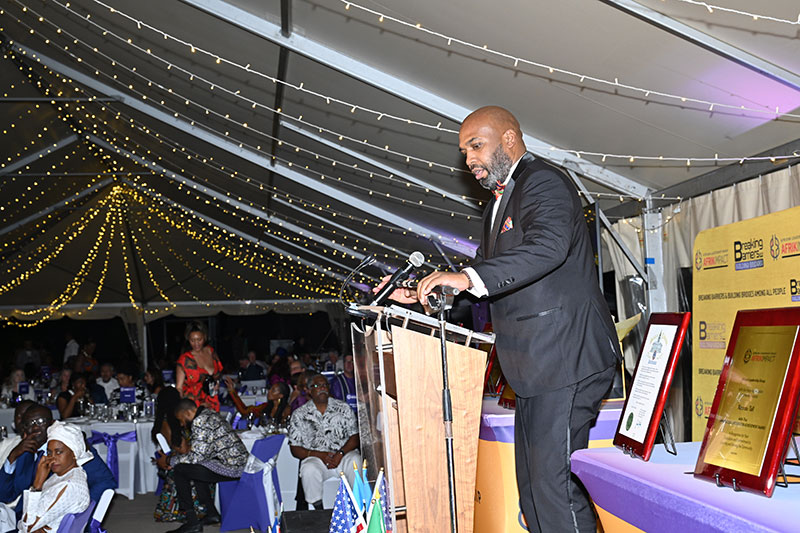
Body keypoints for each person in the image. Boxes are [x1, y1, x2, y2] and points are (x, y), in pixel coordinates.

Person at [381, 106, 621, 533]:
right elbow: (484, 272)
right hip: (534, 367)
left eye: (476, 146)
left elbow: (547, 247)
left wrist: (466, 277)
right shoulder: (498, 201)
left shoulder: (543, 181)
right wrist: (420, 292)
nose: (469, 159)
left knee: (554, 490)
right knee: (533, 493)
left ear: (509, 139)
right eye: (464, 152)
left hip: (565, 357)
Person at [0, 405, 117, 522]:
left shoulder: (71, 448)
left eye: (40, 421)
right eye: (29, 423)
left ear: (52, 423)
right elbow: (5, 496)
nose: (35, 427)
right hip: (23, 517)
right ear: (23, 429)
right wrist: (12, 456)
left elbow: (106, 482)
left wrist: (76, 517)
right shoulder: (25, 452)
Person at [157, 399, 247, 533]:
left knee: (180, 470)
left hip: (233, 468)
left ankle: (192, 522)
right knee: (195, 467)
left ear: (187, 412)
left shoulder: (200, 421)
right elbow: (203, 453)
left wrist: (170, 460)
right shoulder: (209, 414)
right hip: (238, 463)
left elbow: (196, 456)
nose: (182, 424)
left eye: (181, 420)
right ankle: (212, 514)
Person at [288, 373, 361, 510]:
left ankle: (358, 507)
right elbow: (294, 448)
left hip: (343, 455)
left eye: (325, 385)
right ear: (309, 390)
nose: (322, 388)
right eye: (317, 385)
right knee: (308, 468)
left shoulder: (343, 408)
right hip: (317, 459)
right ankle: (319, 510)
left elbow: (355, 437)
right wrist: (320, 455)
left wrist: (340, 453)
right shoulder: (299, 414)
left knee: (355, 460)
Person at [14, 421, 92, 533]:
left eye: (59, 452)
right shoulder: (70, 474)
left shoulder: (68, 486)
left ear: (74, 453)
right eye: (49, 453)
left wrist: (37, 484)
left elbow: (27, 527)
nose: (52, 458)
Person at [151, 387, 214, 523]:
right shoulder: (168, 424)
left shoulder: (173, 420)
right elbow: (183, 450)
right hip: (182, 463)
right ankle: (200, 510)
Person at [176, 322, 223, 412]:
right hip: (193, 407)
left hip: (212, 402)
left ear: (205, 337)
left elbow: (218, 375)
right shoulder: (185, 359)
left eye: (199, 339)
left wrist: (216, 384)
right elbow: (179, 388)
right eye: (192, 340)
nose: (196, 343)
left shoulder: (210, 352)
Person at [224, 377, 291, 426]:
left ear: (280, 396)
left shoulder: (286, 410)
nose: (269, 391)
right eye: (270, 389)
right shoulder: (265, 406)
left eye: (273, 390)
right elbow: (245, 411)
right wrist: (232, 391)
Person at [0, 400, 35, 465]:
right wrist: (13, 454)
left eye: (27, 416)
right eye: (19, 416)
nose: (23, 420)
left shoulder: (48, 447)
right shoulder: (5, 445)